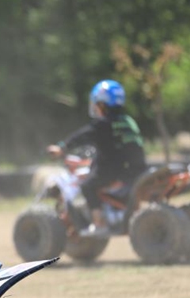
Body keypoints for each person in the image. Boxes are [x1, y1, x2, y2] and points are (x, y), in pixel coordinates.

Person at [48, 79, 148, 237]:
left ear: (102, 104)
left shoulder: (103, 124)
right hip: (136, 169)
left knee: (87, 185)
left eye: (97, 103)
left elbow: (82, 135)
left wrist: (62, 147)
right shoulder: (127, 121)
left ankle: (98, 222)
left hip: (116, 171)